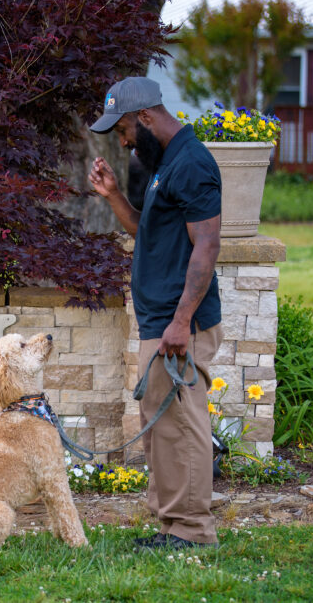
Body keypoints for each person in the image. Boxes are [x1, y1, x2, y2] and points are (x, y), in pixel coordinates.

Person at [87, 77, 223, 550]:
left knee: (181, 424)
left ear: (145, 118)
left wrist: (182, 321)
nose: (122, 141)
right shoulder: (166, 164)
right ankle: (172, 526)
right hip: (161, 320)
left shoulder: (192, 164)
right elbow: (151, 232)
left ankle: (192, 532)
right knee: (163, 428)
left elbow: (206, 246)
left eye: (123, 129)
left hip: (177, 322)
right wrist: (113, 196)